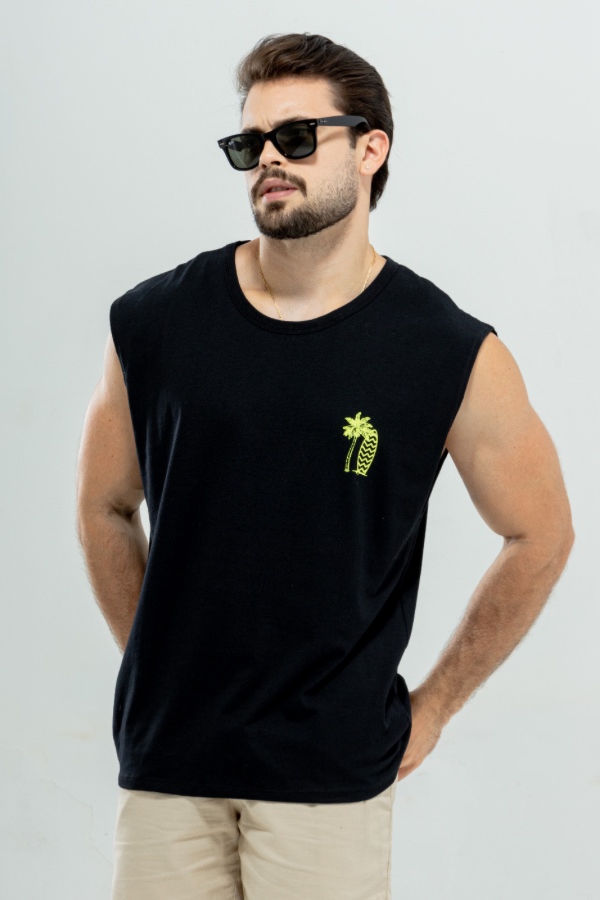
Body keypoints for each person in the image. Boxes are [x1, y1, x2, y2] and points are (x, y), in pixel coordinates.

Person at [75, 32, 575, 900]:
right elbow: (104, 505)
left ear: (370, 149)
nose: (269, 159)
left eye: (297, 136)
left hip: (329, 781)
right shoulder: (153, 324)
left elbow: (542, 534)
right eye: (251, 143)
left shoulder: (447, 352)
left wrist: (433, 710)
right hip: (168, 767)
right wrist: (156, 661)